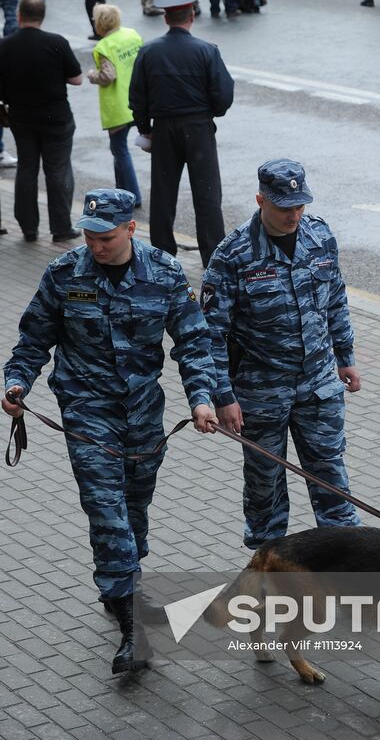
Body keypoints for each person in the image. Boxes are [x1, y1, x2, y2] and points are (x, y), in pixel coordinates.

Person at [2, 188, 218, 674]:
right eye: (90, 236)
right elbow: (33, 339)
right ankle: (132, 625)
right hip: (86, 408)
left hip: (143, 411)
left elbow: (193, 342)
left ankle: (121, 585)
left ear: (130, 229)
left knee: (134, 505)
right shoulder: (64, 274)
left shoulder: (164, 272)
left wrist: (202, 399)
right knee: (105, 507)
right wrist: (17, 383)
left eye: (106, 236)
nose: (96, 245)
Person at [201, 159, 361, 549]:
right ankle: (267, 567)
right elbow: (211, 335)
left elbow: (336, 300)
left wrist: (345, 356)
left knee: (331, 480)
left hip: (319, 385)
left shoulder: (320, 236)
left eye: (300, 205)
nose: (294, 215)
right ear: (261, 200)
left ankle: (346, 565)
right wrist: (222, 397)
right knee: (265, 488)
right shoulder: (233, 255)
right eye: (284, 207)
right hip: (261, 392)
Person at [129, 0, 234, 267]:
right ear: (192, 16)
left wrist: (145, 129)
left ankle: (163, 255)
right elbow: (223, 95)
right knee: (207, 195)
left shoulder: (148, 52)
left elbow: (137, 96)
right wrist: (210, 113)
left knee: (163, 195)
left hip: (164, 129)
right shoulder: (207, 51)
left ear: (166, 18)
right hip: (198, 128)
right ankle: (212, 257)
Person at [0, 0, 82, 242]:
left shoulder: (5, 45)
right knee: (58, 171)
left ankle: (28, 228)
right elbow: (76, 79)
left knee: (27, 169)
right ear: (42, 17)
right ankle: (61, 228)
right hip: (56, 118)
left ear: (19, 15)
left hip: (21, 117)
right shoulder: (56, 42)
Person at [87, 4, 143, 203]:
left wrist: (92, 75)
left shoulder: (104, 46)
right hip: (137, 99)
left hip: (118, 106)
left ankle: (132, 195)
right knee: (120, 150)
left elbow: (108, 76)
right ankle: (122, 191)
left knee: (119, 150)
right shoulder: (132, 35)